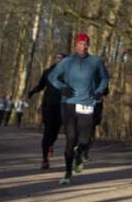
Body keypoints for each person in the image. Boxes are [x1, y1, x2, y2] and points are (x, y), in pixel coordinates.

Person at [48, 34, 110, 185]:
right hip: (68, 103)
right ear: (76, 45)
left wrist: (100, 91)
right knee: (70, 139)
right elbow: (52, 76)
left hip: (87, 103)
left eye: (86, 44)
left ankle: (80, 153)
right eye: (81, 44)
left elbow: (105, 78)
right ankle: (68, 173)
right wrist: (62, 88)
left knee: (85, 138)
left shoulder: (96, 61)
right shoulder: (67, 62)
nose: (84, 46)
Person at [28, 53, 65, 170]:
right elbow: (41, 86)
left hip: (61, 106)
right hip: (48, 105)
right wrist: (32, 91)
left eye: (61, 58)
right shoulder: (47, 72)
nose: (59, 60)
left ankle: (50, 145)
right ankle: (44, 159)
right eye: (57, 58)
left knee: (55, 133)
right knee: (47, 132)